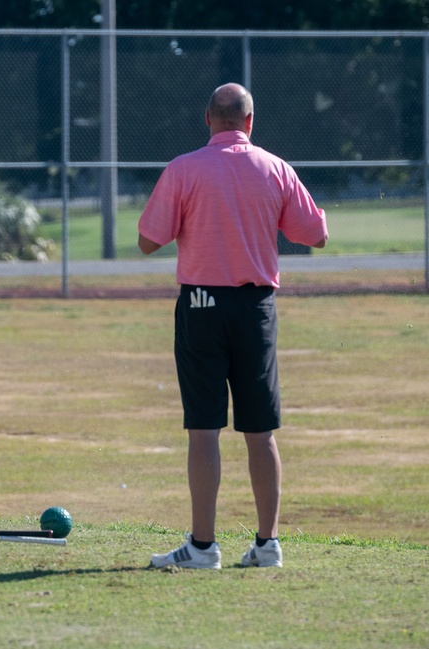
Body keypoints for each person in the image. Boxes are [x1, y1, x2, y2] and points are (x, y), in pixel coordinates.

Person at [140, 83, 328, 569]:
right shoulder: (275, 167)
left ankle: (203, 547)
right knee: (260, 431)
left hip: (201, 304)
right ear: (249, 121)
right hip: (256, 308)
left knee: (204, 429)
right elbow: (316, 234)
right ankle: (268, 545)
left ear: (208, 118)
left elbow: (147, 240)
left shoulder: (184, 169)